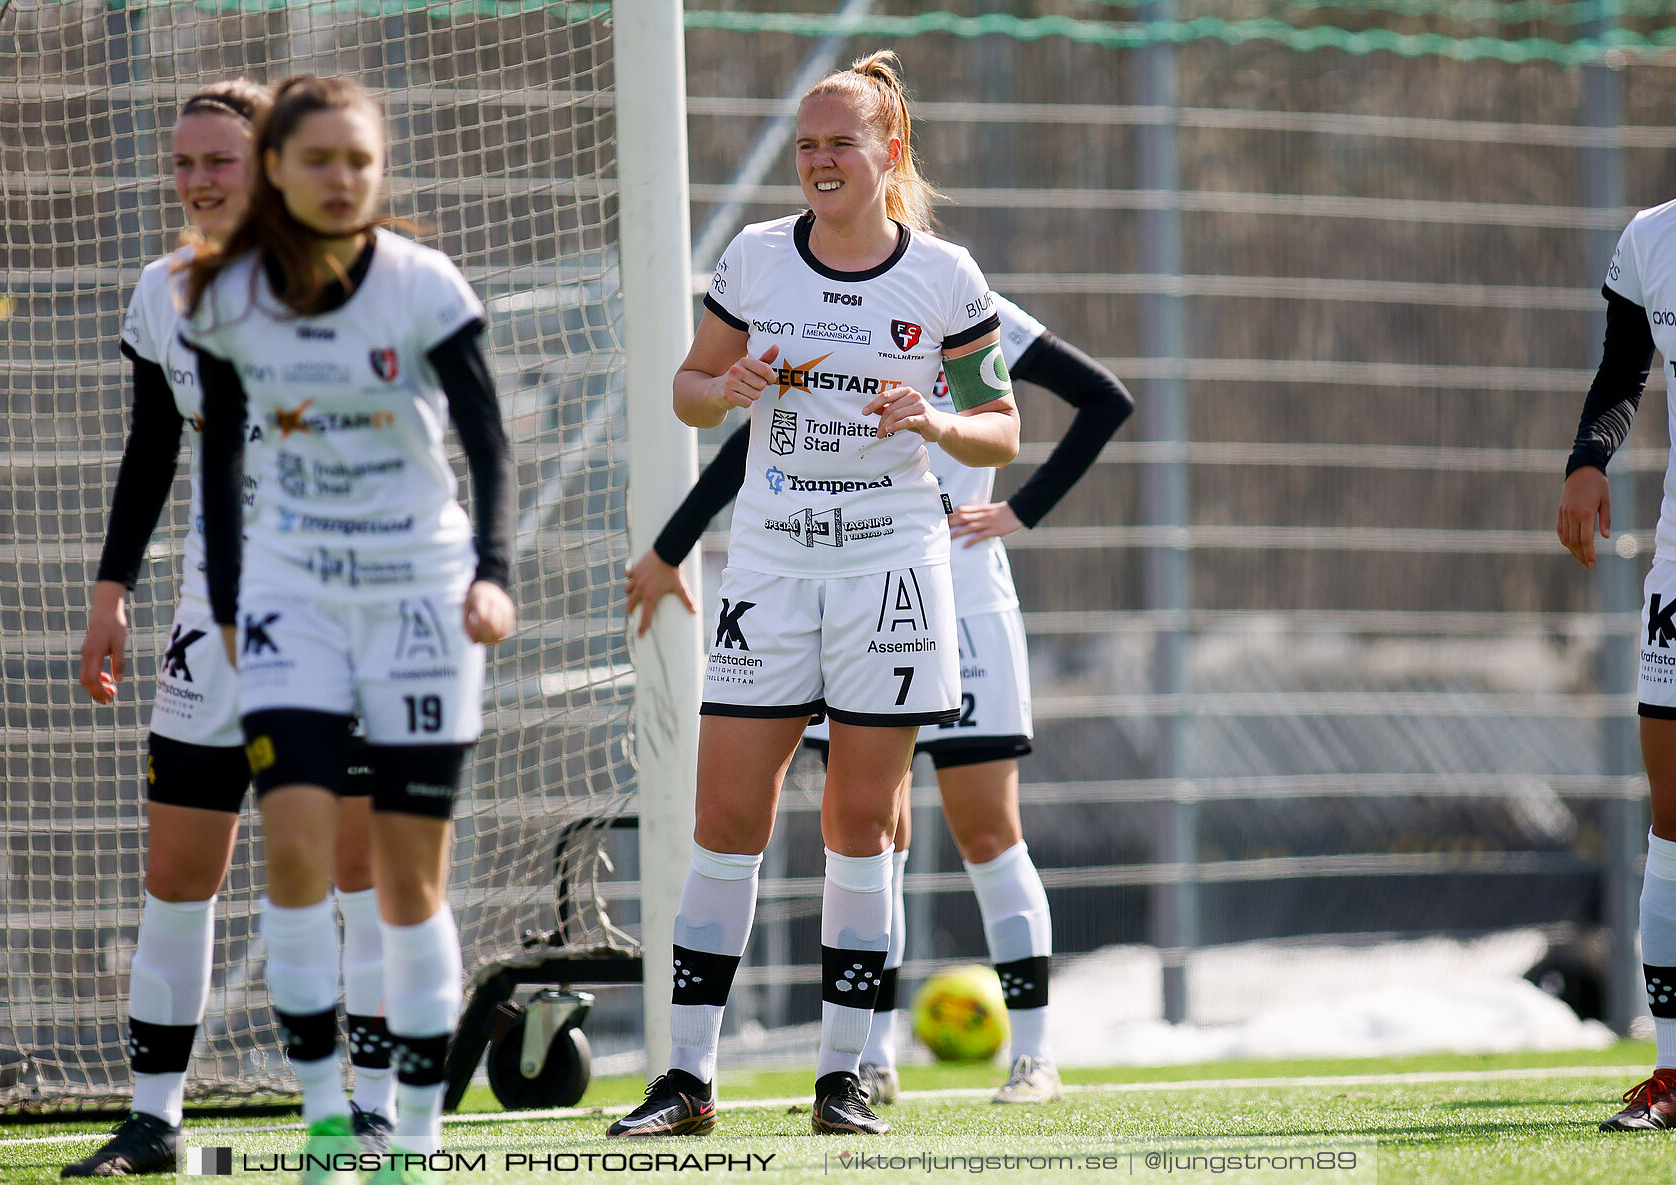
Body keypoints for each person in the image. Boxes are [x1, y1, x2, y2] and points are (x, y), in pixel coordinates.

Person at [608, 50, 1018, 1140]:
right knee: (725, 816)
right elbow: (693, 392)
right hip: (773, 566)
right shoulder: (754, 259)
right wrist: (723, 389)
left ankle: (846, 1073)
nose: (822, 160)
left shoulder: (946, 277)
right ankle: (686, 1077)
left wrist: (932, 421)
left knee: (858, 821)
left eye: (842, 141)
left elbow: (1003, 429)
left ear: (891, 152)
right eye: (808, 144)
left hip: (890, 565)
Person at [626, 294, 1131, 1107]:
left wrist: (1018, 510)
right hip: (854, 596)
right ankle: (872, 1055)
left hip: (961, 599)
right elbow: (750, 449)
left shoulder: (968, 305)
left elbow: (1102, 397)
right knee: (869, 827)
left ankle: (1034, 1055)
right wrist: (669, 549)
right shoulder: (810, 302)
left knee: (987, 829)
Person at [183, 75, 515, 1184]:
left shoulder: (424, 285)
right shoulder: (226, 296)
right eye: (318, 161)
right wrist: (230, 604)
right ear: (276, 168)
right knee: (294, 857)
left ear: (380, 172)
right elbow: (220, 457)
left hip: (420, 592)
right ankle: (328, 1120)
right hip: (294, 598)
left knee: (412, 880)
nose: (340, 181)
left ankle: (413, 1136)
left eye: (359, 163)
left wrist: (493, 573)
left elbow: (487, 436)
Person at [66, 80, 396, 1178]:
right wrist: (112, 589)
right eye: (186, 164)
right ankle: (153, 1119)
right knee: (177, 866)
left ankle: (372, 1110)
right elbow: (153, 446)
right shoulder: (162, 291)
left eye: (223, 160)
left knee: (353, 862)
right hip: (210, 625)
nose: (202, 181)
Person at [1560, 196, 1676, 1132]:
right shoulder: (1650, 237)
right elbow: (1624, 365)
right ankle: (1674, 1071)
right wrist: (1587, 460)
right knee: (1671, 815)